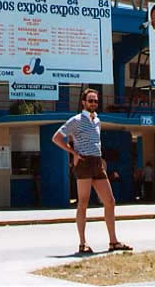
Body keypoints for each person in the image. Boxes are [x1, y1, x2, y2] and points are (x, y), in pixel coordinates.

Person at [52, 88, 132, 254]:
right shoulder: (76, 120)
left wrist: (101, 161)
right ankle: (83, 243)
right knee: (83, 202)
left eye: (95, 101)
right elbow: (57, 138)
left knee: (110, 201)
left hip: (97, 163)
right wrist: (74, 153)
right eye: (90, 100)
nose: (93, 103)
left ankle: (113, 242)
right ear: (83, 102)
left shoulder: (97, 120)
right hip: (84, 163)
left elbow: (97, 143)